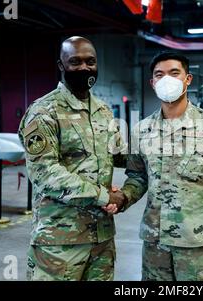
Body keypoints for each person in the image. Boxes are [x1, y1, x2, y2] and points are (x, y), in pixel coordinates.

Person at [109, 51, 203, 281]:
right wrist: (122, 198)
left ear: (187, 79)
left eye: (174, 73)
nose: (167, 80)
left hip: (195, 244)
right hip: (154, 242)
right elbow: (138, 177)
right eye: (159, 75)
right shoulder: (141, 130)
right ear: (152, 83)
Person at [18, 36, 126, 281]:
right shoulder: (44, 111)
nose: (84, 68)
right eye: (75, 62)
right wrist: (103, 195)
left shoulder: (103, 110)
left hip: (102, 239)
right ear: (61, 65)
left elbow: (119, 154)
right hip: (60, 242)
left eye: (90, 61)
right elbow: (44, 173)